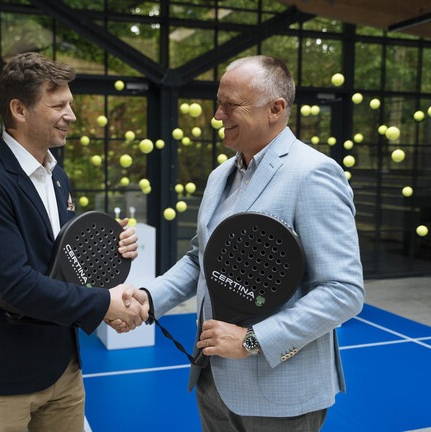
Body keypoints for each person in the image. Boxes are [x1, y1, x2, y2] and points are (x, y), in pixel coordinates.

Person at [137, 55, 365, 431]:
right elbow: (201, 258)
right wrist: (149, 298)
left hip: (280, 395)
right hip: (212, 381)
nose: (217, 115)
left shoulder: (313, 173)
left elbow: (343, 291)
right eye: (218, 103)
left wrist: (252, 340)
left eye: (230, 105)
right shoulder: (220, 175)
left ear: (276, 108)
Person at [0, 52, 148, 432]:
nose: (71, 115)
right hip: (3, 380)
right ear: (19, 110)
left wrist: (110, 250)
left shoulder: (58, 176)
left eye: (69, 104)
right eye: (58, 106)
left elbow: (64, 263)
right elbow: (16, 287)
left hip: (63, 370)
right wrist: (103, 303)